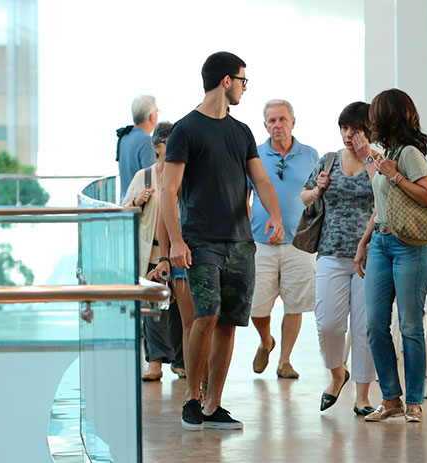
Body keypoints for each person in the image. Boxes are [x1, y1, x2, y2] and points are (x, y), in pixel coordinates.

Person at [161, 51, 284, 431]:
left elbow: (260, 180)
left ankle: (214, 405)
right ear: (226, 81)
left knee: (229, 322)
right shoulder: (186, 129)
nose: (245, 88)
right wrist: (176, 243)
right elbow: (169, 189)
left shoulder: (242, 132)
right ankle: (191, 399)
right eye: (243, 80)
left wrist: (276, 216)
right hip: (200, 241)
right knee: (207, 314)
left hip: (240, 242)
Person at [355, 89, 427, 423]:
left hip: (411, 248)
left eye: (375, 113)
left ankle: (414, 401)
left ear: (387, 116)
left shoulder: (408, 154)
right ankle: (391, 398)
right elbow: (382, 207)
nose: (370, 120)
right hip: (381, 243)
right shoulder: (387, 152)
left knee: (409, 324)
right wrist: (364, 242)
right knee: (374, 323)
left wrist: (396, 175)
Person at [302, 102, 378, 414]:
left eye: (356, 129)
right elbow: (305, 196)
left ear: (369, 131)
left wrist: (368, 158)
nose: (349, 135)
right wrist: (317, 190)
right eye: (345, 128)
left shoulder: (378, 161)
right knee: (328, 323)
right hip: (331, 251)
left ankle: (362, 396)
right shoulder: (329, 160)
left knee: (365, 327)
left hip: (371, 256)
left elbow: (385, 199)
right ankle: (337, 374)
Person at [248, 99, 319, 379]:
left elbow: (317, 196)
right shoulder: (253, 154)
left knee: (295, 303)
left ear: (292, 121)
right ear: (265, 125)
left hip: (299, 243)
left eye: (282, 119)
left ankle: (284, 361)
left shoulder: (311, 154)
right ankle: (266, 341)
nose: (277, 125)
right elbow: (244, 195)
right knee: (255, 305)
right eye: (271, 121)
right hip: (259, 242)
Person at [121, 122, 187, 381]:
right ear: (157, 147)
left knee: (180, 310)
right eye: (170, 145)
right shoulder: (143, 177)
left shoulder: (184, 175)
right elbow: (123, 209)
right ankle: (155, 363)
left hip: (179, 252)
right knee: (153, 309)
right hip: (151, 254)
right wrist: (138, 201)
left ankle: (181, 362)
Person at [117, 95, 158, 201]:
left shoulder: (125, 136)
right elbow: (152, 179)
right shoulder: (146, 141)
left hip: (125, 203)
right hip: (140, 207)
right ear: (151, 116)